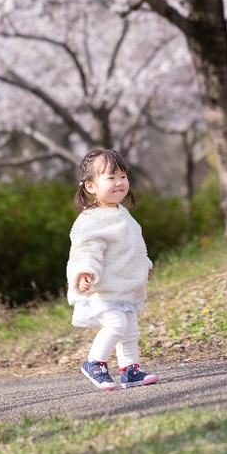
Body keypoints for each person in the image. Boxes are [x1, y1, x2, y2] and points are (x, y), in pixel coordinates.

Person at [66, 148, 159, 391]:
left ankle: (130, 370)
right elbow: (86, 248)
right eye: (110, 178)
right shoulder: (92, 220)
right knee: (116, 325)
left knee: (129, 331)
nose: (119, 183)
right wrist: (85, 271)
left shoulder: (122, 215)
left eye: (123, 177)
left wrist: (144, 266)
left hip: (123, 287)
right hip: (102, 288)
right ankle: (94, 363)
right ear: (90, 186)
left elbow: (134, 247)